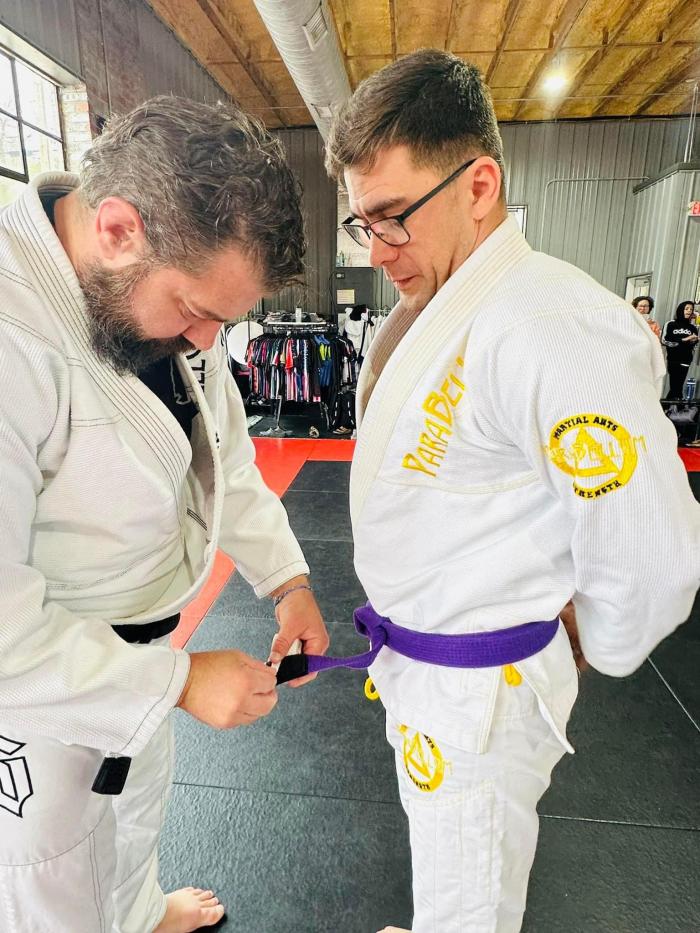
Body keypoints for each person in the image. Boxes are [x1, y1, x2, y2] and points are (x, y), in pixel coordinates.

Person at [324, 50, 700, 933]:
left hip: (479, 697)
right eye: (363, 224)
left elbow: (652, 551)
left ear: (480, 185)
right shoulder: (438, 305)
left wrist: (587, 638)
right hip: (427, 677)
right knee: (448, 866)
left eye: (393, 218)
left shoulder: (547, 325)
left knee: (471, 895)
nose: (377, 252)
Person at [0, 96, 329, 933]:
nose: (206, 340)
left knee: (134, 822)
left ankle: (143, 912)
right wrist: (180, 681)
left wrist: (287, 581)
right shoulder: (12, 335)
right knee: (53, 882)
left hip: (148, 644)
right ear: (117, 229)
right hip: (40, 693)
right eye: (195, 311)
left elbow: (222, 461)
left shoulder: (158, 303)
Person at [662, 300, 699, 398]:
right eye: (686, 308)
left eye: (691, 309)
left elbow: (693, 346)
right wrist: (684, 339)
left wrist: (694, 341)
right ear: (680, 309)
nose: (689, 311)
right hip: (673, 359)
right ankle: (676, 404)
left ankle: (671, 405)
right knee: (675, 386)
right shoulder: (670, 324)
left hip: (686, 359)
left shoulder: (693, 327)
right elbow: (665, 341)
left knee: (677, 386)